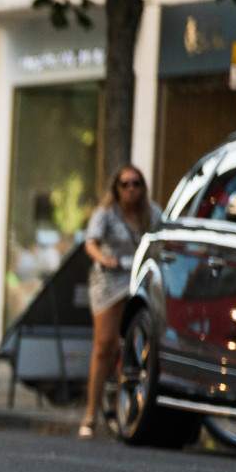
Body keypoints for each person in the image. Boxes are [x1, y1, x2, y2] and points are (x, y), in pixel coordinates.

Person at [78, 164, 161, 439]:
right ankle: (90, 414)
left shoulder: (152, 212)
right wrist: (104, 259)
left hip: (140, 278)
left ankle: (133, 400)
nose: (131, 189)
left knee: (145, 339)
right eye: (124, 184)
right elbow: (90, 243)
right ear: (116, 187)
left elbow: (163, 238)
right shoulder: (106, 214)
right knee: (104, 345)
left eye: (136, 183)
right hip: (110, 279)